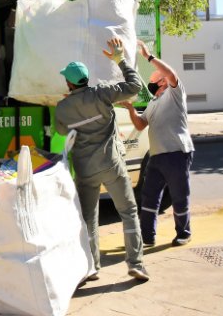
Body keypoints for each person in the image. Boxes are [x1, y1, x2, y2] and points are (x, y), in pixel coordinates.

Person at [55, 37, 149, 282]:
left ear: (69, 82)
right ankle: (136, 264)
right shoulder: (102, 93)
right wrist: (120, 59)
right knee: (128, 212)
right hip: (112, 165)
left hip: (86, 170)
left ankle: (92, 267)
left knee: (88, 219)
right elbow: (135, 85)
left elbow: (63, 132)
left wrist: (71, 106)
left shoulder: (62, 108)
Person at [121, 40, 195, 247]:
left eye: (154, 79)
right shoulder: (153, 103)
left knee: (179, 195)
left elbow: (172, 74)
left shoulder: (175, 94)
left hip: (176, 153)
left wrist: (149, 57)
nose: (150, 83)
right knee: (149, 196)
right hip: (157, 156)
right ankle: (147, 237)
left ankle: (184, 233)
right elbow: (140, 124)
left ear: (163, 81)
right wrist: (130, 109)